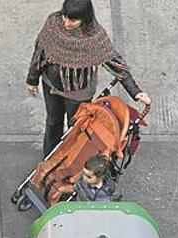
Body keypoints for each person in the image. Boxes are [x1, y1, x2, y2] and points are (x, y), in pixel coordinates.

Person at [26, 0, 151, 158]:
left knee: (77, 129)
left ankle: (70, 161)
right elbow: (40, 52)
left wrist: (135, 91)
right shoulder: (53, 24)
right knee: (53, 122)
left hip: (78, 95)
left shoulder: (94, 38)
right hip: (51, 88)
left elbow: (115, 64)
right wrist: (32, 78)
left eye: (73, 20)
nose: (66, 23)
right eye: (65, 16)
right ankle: (49, 159)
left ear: (84, 18)